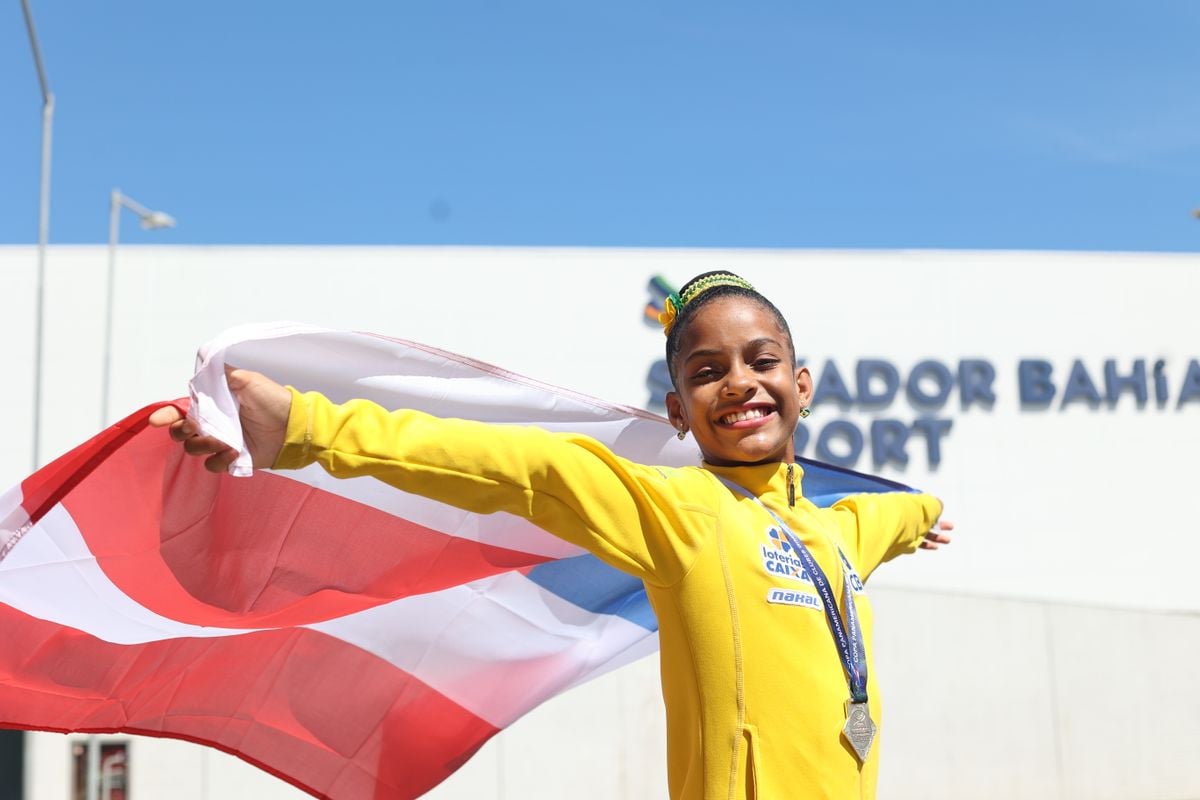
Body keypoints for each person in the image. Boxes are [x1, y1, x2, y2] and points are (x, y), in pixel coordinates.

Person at [150, 271, 952, 800]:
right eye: (706, 371)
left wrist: (923, 514)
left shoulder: (845, 527)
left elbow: (898, 516)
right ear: (677, 412)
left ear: (800, 386)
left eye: (762, 361)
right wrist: (305, 425)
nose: (739, 381)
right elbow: (521, 468)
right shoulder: (681, 514)